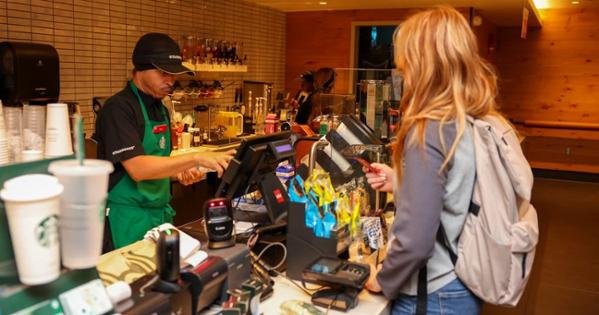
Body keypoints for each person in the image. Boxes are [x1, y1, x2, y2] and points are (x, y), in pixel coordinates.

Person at [363, 7, 502, 315]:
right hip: (460, 284)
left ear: (424, 65)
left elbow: (415, 242)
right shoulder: (467, 117)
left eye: (406, 62)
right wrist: (402, 182)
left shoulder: (429, 129)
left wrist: (382, 281)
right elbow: (457, 190)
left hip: (431, 295)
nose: (402, 71)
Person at [94, 33, 234, 250]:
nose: (170, 81)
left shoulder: (160, 107)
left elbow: (157, 161)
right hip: (126, 219)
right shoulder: (118, 109)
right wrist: (195, 157)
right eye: (163, 73)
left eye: (173, 74)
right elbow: (138, 169)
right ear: (141, 69)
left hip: (159, 216)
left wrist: (178, 172)